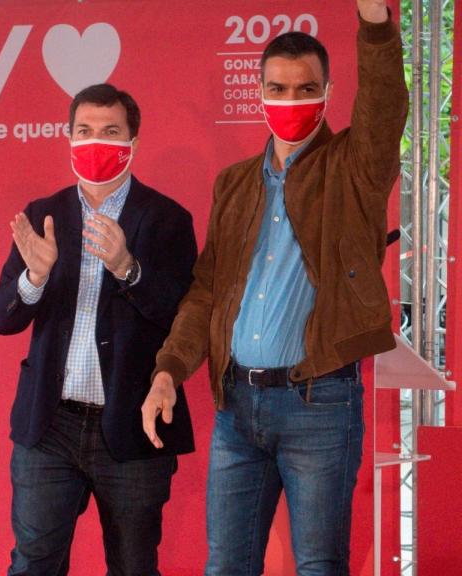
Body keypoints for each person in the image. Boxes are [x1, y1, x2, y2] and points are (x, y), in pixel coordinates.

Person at [141, 2, 407, 574]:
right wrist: (169, 369)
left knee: (318, 566)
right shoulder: (234, 184)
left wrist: (376, 22)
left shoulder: (353, 169)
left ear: (328, 93)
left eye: (306, 88)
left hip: (320, 405)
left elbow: (384, 111)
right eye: (279, 89)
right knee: (225, 567)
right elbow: (206, 293)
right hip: (236, 409)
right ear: (259, 92)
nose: (292, 101)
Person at [0, 83, 197, 576]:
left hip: (132, 427)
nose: (95, 141)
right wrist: (34, 276)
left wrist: (129, 267)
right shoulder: (45, 214)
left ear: (133, 143)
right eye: (84, 131)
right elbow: (2, 317)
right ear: (68, 138)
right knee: (33, 563)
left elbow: (183, 318)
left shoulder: (168, 219)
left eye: (110, 131)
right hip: (50, 425)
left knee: (132, 566)